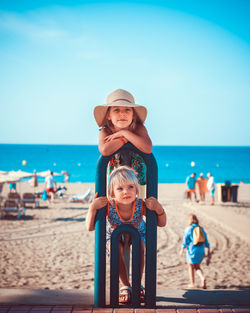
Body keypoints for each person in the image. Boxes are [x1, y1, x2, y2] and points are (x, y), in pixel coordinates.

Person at [86, 166, 166, 304]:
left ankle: (137, 284)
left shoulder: (141, 205)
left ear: (136, 189)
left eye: (130, 187)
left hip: (137, 233)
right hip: (115, 235)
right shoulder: (109, 206)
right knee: (114, 247)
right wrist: (92, 208)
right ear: (112, 192)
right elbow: (90, 227)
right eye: (120, 188)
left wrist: (159, 209)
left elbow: (162, 223)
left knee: (140, 246)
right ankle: (125, 285)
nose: (126, 192)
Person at [93, 89, 152, 198]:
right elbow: (105, 150)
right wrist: (124, 139)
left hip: (137, 182)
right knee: (112, 210)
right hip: (115, 183)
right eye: (116, 110)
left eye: (127, 110)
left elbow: (147, 148)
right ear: (108, 116)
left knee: (138, 208)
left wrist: (125, 133)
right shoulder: (105, 131)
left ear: (133, 115)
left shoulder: (139, 128)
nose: (122, 114)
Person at [179, 213, 210, 289]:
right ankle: (202, 277)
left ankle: (192, 283)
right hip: (201, 249)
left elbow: (185, 241)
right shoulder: (201, 228)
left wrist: (182, 249)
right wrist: (208, 249)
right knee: (197, 267)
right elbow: (206, 240)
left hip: (192, 250)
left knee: (190, 266)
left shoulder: (188, 229)